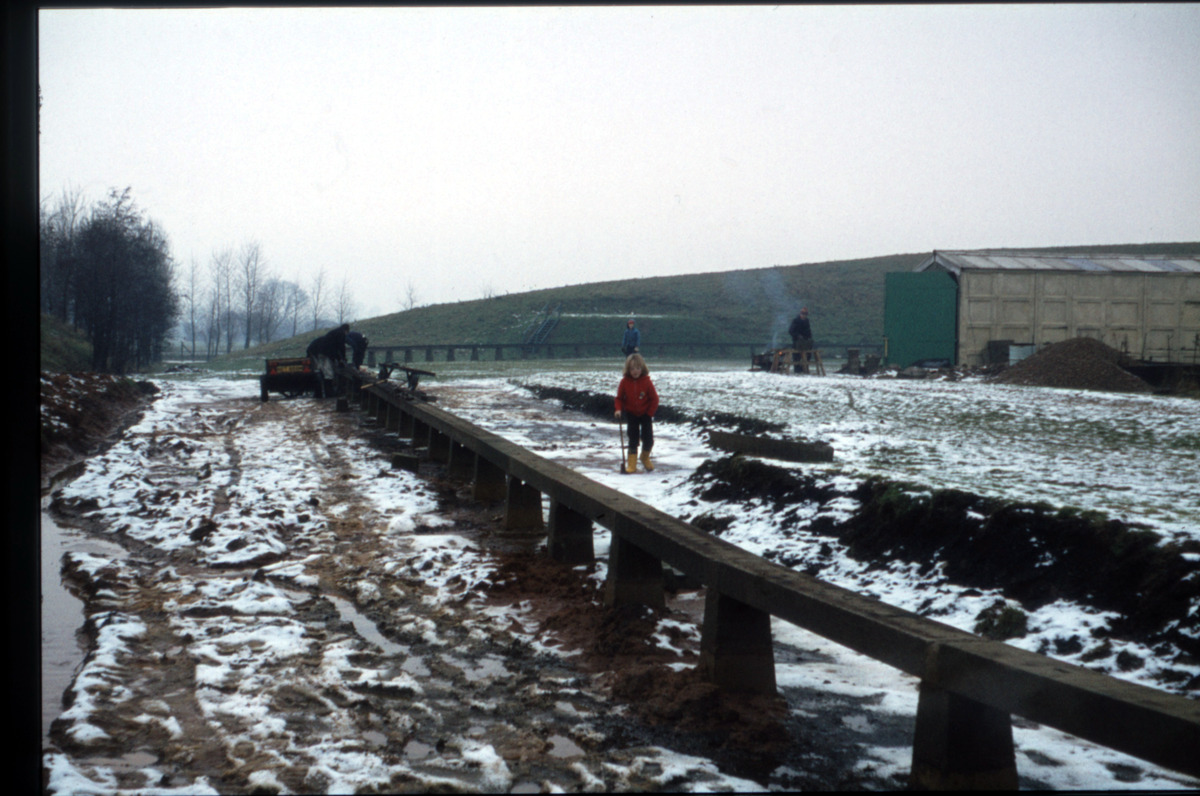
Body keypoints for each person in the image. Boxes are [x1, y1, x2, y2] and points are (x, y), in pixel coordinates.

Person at [614, 353, 659, 473]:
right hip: (632, 414)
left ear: (642, 369)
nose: (635, 371)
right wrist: (618, 409)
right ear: (628, 369)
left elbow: (654, 399)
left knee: (648, 439)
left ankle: (644, 457)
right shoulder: (624, 382)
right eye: (632, 368)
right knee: (633, 439)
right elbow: (619, 398)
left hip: (646, 414)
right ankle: (631, 465)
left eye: (638, 368)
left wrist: (650, 413)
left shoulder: (647, 382)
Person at [305, 323, 350, 395]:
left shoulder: (334, 333)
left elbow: (336, 348)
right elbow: (341, 348)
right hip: (324, 353)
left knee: (321, 371)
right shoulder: (341, 334)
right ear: (346, 330)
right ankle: (329, 392)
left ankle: (320, 392)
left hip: (320, 352)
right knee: (328, 373)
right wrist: (342, 359)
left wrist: (339, 359)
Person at [788, 307, 814, 372]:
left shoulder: (807, 321)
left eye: (805, 314)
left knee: (808, 354)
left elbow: (808, 330)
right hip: (796, 341)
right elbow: (791, 331)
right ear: (800, 314)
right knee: (796, 356)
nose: (804, 316)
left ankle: (805, 368)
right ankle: (797, 369)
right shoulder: (796, 321)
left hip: (805, 341)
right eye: (803, 314)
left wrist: (809, 337)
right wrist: (798, 336)